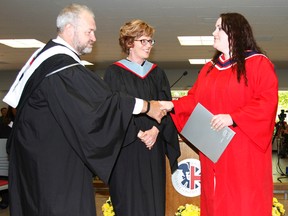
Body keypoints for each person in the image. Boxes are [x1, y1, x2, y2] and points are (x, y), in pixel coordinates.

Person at [2, 4, 166, 216]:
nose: (94, 37)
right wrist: (147, 107)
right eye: (89, 31)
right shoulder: (61, 66)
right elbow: (103, 103)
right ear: (70, 29)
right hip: (53, 167)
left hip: (40, 159)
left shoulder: (47, 59)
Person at [160, 12, 278, 216]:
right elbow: (194, 100)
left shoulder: (258, 64)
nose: (213, 32)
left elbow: (266, 101)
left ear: (235, 33)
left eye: (219, 28)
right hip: (215, 148)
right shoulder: (209, 69)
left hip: (243, 149)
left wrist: (233, 117)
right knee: (214, 201)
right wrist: (171, 105)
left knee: (242, 202)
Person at [103, 19, 180, 216]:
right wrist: (137, 133)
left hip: (153, 146)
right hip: (128, 145)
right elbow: (113, 110)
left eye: (150, 41)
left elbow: (166, 107)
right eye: (143, 41)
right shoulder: (114, 73)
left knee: (154, 197)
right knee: (130, 198)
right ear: (129, 43)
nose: (148, 46)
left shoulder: (157, 74)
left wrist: (156, 131)